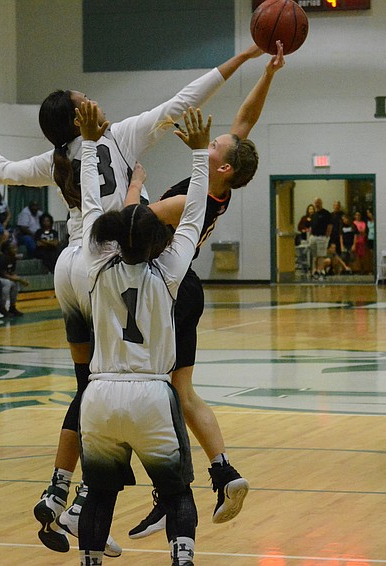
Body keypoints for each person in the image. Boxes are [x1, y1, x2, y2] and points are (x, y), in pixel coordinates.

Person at [0, 43, 267, 555]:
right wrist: (239, 60)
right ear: (83, 115)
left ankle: (63, 491)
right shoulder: (116, 138)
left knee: (90, 387)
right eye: (88, 97)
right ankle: (129, 495)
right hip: (114, 262)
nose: (96, 100)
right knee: (139, 384)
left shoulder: (55, 157)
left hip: (72, 267)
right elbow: (184, 99)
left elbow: (4, 173)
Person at [129, 43, 285, 539]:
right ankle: (223, 473)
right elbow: (246, 119)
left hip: (171, 290)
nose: (215, 137)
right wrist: (267, 69)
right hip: (184, 288)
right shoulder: (218, 178)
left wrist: (133, 183)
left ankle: (171, 494)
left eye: (216, 144)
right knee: (179, 391)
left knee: (153, 394)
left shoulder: (188, 200)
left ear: (220, 167)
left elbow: (132, 223)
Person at [75, 101, 208, 566]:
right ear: (157, 240)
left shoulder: (94, 267)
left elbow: (92, 204)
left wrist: (90, 145)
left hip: (100, 394)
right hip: (151, 394)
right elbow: (192, 218)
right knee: (176, 492)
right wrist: (199, 156)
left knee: (98, 496)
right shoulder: (169, 272)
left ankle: (89, 561)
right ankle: (182, 560)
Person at [0, 240, 29, 316]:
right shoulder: (1, 258)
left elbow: (11, 272)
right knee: (7, 283)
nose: (16, 249)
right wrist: (20, 280)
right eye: (13, 248)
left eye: (16, 247)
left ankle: (12, 307)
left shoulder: (13, 258)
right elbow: (4, 275)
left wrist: (18, 278)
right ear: (6, 250)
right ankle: (2, 307)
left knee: (15, 284)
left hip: (3, 276)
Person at [308, 196, 333, 279]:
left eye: (318, 202)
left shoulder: (326, 213)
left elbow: (329, 226)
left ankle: (320, 270)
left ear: (321, 202)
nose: (317, 204)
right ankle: (315, 270)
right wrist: (310, 235)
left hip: (322, 237)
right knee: (314, 255)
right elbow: (311, 226)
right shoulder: (313, 215)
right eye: (315, 202)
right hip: (313, 237)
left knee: (321, 255)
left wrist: (327, 236)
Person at [352, 211, 369, 275]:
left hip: (362, 241)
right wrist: (359, 231)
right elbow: (355, 232)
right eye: (356, 215)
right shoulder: (353, 223)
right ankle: (357, 270)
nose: (358, 216)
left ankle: (363, 269)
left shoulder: (363, 223)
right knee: (356, 256)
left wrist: (359, 231)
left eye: (359, 215)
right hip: (355, 241)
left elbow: (363, 231)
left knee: (362, 256)